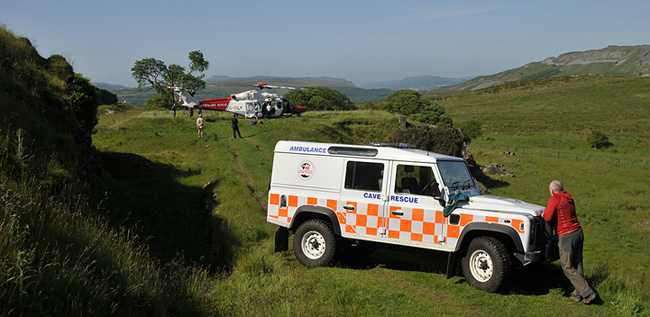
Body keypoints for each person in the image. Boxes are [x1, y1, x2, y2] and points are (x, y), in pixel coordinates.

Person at [543, 180, 597, 304]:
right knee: (577, 264)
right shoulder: (569, 197)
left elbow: (547, 217)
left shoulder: (555, 199)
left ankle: (588, 292)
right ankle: (577, 294)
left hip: (567, 235)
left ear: (552, 190)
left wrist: (545, 212)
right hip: (578, 232)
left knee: (567, 266)